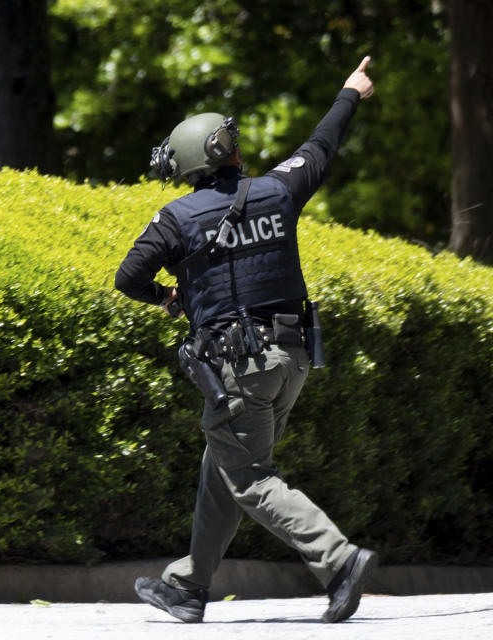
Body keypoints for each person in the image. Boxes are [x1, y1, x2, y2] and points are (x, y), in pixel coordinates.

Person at [114, 56, 377, 624]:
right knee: (224, 469)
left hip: (239, 369)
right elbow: (321, 145)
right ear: (232, 151)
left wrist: (166, 298)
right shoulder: (278, 191)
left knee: (251, 478)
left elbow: (128, 277)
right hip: (293, 362)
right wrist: (349, 92)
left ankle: (339, 560)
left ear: (187, 166)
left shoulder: (176, 218)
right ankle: (188, 586)